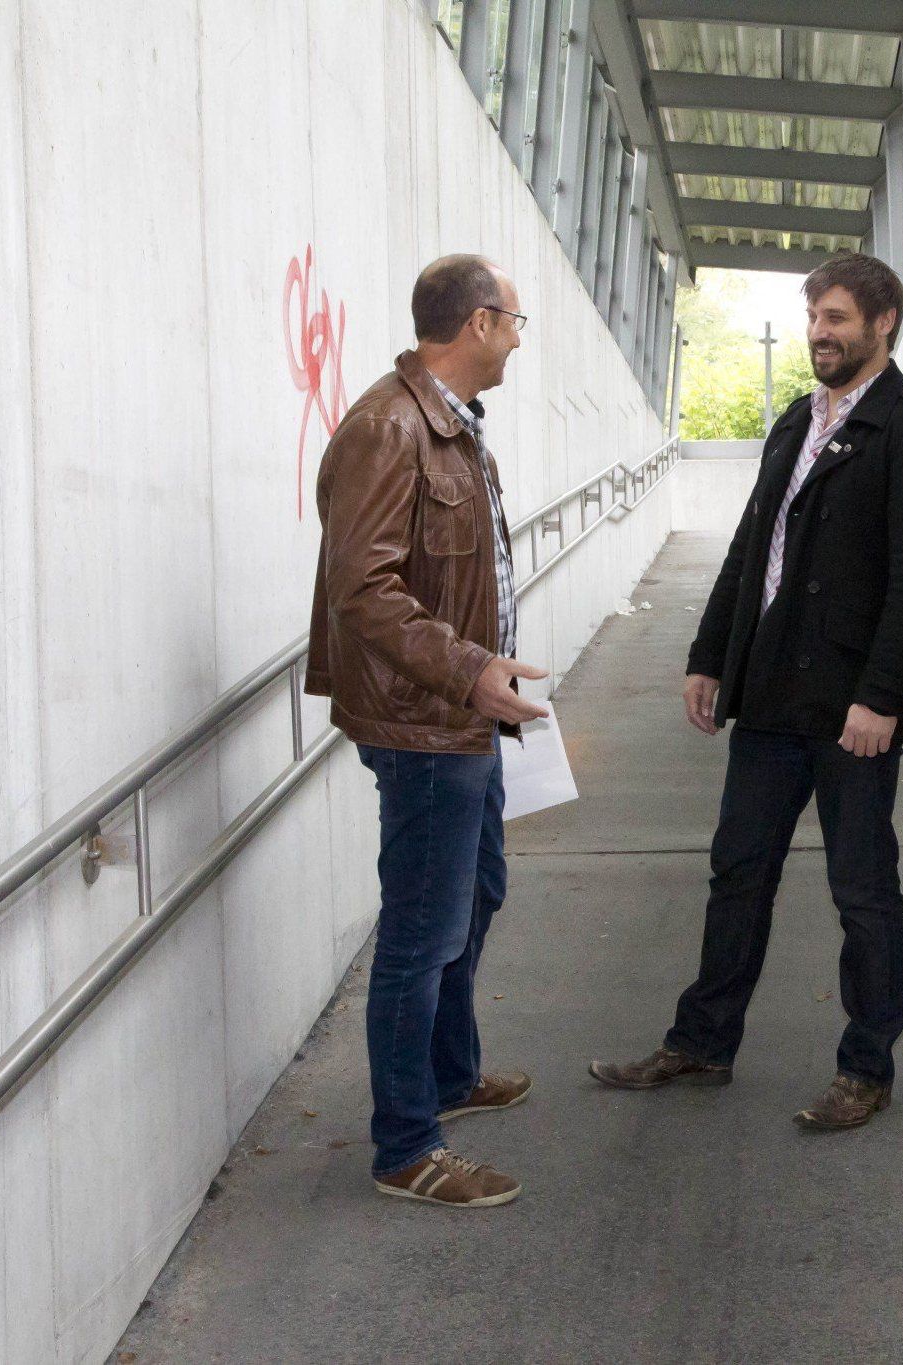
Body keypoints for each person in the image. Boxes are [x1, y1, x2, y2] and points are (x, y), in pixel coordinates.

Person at [590, 253, 903, 1130]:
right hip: (770, 698)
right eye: (812, 319)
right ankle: (703, 1042)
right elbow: (751, 550)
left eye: (836, 318)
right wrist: (710, 653)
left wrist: (883, 697)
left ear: (884, 324)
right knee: (737, 871)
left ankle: (865, 1066)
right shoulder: (797, 421)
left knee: (862, 891)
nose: (820, 334)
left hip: (850, 714)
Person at [306, 254, 546, 1206]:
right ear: (479, 323)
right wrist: (470, 668)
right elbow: (362, 589)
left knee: (476, 893)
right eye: (517, 322)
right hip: (423, 723)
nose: (520, 341)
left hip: (463, 719)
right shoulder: (386, 425)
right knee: (421, 930)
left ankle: (449, 1073)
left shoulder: (451, 424)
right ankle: (408, 1145)